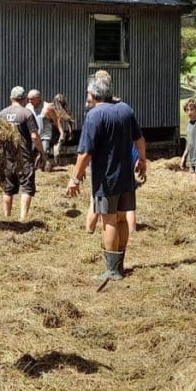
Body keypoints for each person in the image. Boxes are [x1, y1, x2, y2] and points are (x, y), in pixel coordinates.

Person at [67, 74, 147, 282]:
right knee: (121, 219)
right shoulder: (125, 109)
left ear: (92, 94)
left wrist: (74, 179)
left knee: (109, 221)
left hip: (107, 179)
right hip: (126, 177)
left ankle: (112, 270)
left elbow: (85, 153)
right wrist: (143, 162)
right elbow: (139, 140)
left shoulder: (94, 115)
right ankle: (120, 264)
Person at [0, 85, 47, 221]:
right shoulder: (26, 114)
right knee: (26, 187)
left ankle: (7, 216)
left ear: (11, 98)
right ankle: (22, 217)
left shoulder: (2, 114)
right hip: (24, 156)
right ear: (24, 99)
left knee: (8, 189)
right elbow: (34, 136)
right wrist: (41, 153)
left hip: (7, 157)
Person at [27, 89, 66, 171]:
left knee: (44, 152)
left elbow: (56, 121)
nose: (29, 101)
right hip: (33, 135)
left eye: (31, 99)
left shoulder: (47, 108)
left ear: (38, 98)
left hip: (44, 135)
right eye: (28, 99)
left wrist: (61, 132)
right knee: (31, 155)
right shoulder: (28, 107)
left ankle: (46, 167)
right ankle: (40, 166)